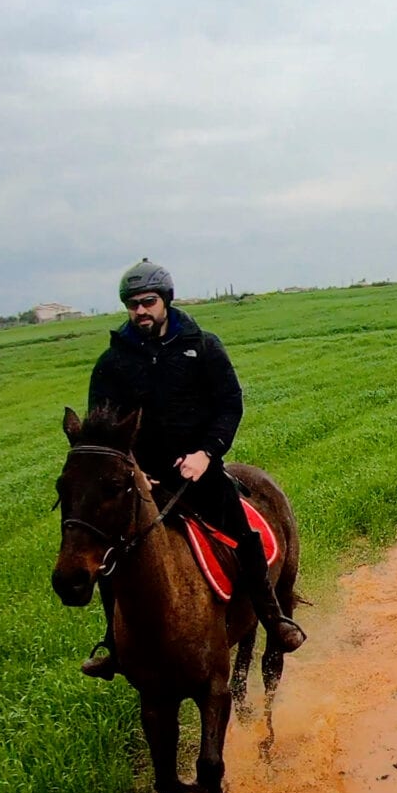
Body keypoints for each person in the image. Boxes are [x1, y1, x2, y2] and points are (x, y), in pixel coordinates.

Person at [79, 259, 306, 679]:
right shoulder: (112, 363)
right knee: (109, 556)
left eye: (148, 302)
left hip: (198, 471)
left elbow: (229, 405)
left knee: (243, 535)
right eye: (132, 305)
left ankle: (272, 618)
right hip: (140, 481)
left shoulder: (201, 346)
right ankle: (113, 643)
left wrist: (206, 453)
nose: (140, 311)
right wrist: (134, 471)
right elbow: (103, 430)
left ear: (165, 300)